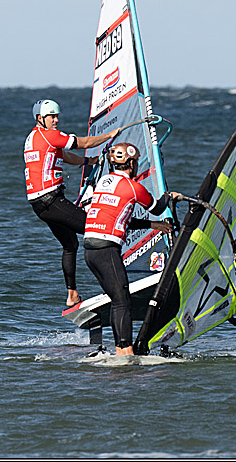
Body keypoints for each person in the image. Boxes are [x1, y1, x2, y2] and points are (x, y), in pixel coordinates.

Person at [83, 142, 182, 355]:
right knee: (122, 301)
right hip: (106, 249)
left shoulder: (104, 182)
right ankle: (124, 351)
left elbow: (120, 216)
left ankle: (120, 348)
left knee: (117, 299)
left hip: (90, 249)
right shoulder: (132, 187)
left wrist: (152, 225)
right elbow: (158, 207)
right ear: (131, 164)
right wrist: (169, 196)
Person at [24, 99, 119, 308]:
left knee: (70, 245)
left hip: (39, 204)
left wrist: (88, 162)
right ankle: (114, 285)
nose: (56, 120)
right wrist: (109, 136)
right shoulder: (49, 135)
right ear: (40, 118)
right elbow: (83, 143)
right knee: (96, 229)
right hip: (50, 200)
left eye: (57, 116)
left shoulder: (34, 137)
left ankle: (72, 294)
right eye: (52, 117)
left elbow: (65, 155)